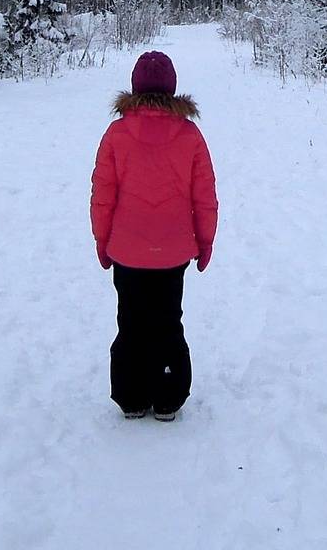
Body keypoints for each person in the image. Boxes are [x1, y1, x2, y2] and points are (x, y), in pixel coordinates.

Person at [89, 48, 218, 421]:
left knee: (130, 320)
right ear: (172, 87)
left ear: (135, 87)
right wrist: (205, 241)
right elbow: (205, 196)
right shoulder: (190, 135)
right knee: (167, 320)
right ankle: (167, 396)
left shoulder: (116, 134)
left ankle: (131, 397)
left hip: (127, 251)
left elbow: (103, 195)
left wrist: (102, 240)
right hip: (173, 251)